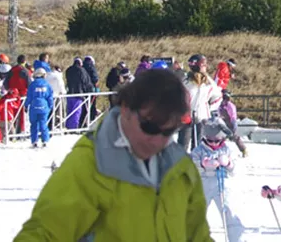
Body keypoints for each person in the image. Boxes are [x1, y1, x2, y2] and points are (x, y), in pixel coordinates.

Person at [12, 67, 211, 242]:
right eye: (149, 126)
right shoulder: (91, 163)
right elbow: (45, 232)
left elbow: (197, 236)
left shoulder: (181, 169)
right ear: (126, 110)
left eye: (169, 131)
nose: (157, 140)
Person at [189, 118, 243, 242]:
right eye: (210, 140)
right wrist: (203, 164)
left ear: (222, 138)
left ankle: (236, 239)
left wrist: (228, 163)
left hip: (222, 185)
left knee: (229, 212)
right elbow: (192, 168)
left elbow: (235, 171)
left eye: (217, 140)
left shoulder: (227, 150)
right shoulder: (198, 150)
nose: (213, 143)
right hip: (203, 185)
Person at [185, 55, 222, 149]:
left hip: (202, 117)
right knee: (183, 143)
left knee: (199, 144)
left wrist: (209, 108)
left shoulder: (209, 82)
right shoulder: (186, 81)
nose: (206, 67)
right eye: (204, 65)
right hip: (187, 116)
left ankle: (197, 158)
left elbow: (218, 96)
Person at [27, 67, 55, 148]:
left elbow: (29, 96)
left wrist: (26, 105)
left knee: (34, 124)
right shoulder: (47, 85)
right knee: (43, 124)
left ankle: (34, 141)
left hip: (34, 106)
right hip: (44, 106)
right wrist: (50, 106)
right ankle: (45, 140)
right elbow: (50, 97)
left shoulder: (32, 84)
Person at [65, 56, 95, 129]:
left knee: (69, 111)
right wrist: (90, 91)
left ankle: (68, 126)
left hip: (69, 93)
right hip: (78, 94)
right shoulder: (82, 70)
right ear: (80, 63)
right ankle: (74, 128)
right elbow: (86, 82)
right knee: (76, 112)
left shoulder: (68, 70)